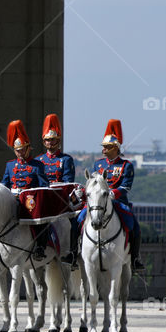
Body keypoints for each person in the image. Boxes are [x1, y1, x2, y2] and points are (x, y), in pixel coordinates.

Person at [77, 119, 144, 269]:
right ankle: (74, 252)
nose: (104, 150)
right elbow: (93, 183)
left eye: (107, 147)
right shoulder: (98, 164)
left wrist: (113, 193)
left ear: (115, 148)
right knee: (79, 219)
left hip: (117, 201)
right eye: (104, 147)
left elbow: (126, 186)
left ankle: (134, 258)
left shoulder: (126, 165)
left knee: (133, 225)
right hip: (99, 201)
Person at [1, 119, 50, 261]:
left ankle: (40, 247)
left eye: (22, 149)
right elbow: (4, 184)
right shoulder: (10, 165)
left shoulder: (37, 165)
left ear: (28, 148)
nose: (20, 152)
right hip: (12, 199)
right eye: (17, 150)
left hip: (29, 202)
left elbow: (43, 186)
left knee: (42, 219)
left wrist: (32, 195)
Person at [36, 114, 79, 266]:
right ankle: (39, 247)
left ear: (58, 141)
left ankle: (73, 254)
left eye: (53, 140)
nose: (50, 143)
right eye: (47, 140)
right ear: (44, 141)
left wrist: (54, 187)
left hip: (60, 199)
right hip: (44, 200)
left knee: (75, 222)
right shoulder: (39, 160)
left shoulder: (66, 160)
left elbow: (68, 181)